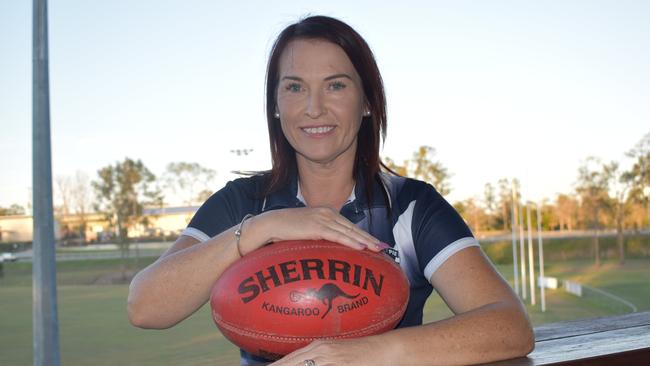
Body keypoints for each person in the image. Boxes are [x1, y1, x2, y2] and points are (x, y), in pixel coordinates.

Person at [128, 15, 534, 366]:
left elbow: (509, 326)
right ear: (275, 104)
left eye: (336, 85)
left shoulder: (410, 206)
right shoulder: (245, 202)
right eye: (294, 87)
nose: (314, 108)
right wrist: (256, 230)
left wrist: (366, 354)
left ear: (368, 102)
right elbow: (145, 307)